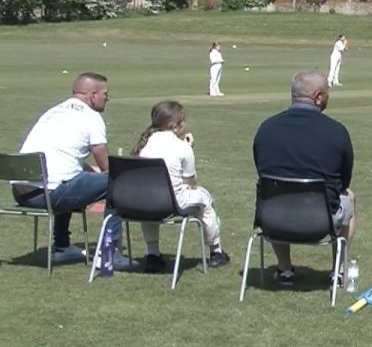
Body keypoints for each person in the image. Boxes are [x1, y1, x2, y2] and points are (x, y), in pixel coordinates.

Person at [12, 73, 136, 269]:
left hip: (22, 192)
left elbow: (66, 160)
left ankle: (62, 246)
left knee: (70, 178)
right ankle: (109, 253)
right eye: (105, 93)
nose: (107, 98)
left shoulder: (53, 112)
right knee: (116, 182)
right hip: (49, 194)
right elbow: (107, 169)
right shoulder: (91, 117)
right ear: (93, 95)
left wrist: (92, 175)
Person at [252, 70, 356, 287]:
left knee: (276, 192)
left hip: (272, 219)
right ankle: (338, 269)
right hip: (319, 221)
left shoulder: (266, 129)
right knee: (349, 197)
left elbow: (262, 172)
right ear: (318, 97)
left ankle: (284, 268)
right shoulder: (336, 131)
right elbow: (343, 183)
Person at [131, 101, 230, 271]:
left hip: (144, 202)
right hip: (173, 203)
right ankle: (216, 251)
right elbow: (191, 182)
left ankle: (153, 253)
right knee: (205, 198)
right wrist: (189, 148)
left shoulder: (144, 146)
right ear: (175, 124)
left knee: (150, 200)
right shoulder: (182, 147)